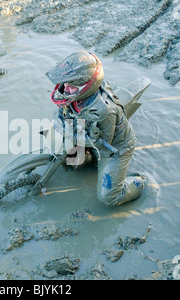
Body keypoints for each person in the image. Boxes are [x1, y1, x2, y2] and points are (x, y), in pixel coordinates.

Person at [45, 50, 146, 207]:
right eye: (65, 84)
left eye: (71, 86)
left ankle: (141, 182)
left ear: (86, 86)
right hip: (85, 131)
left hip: (114, 147)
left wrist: (67, 132)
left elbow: (102, 143)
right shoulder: (72, 95)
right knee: (73, 164)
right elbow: (61, 113)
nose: (65, 89)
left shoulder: (104, 112)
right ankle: (90, 160)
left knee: (108, 198)